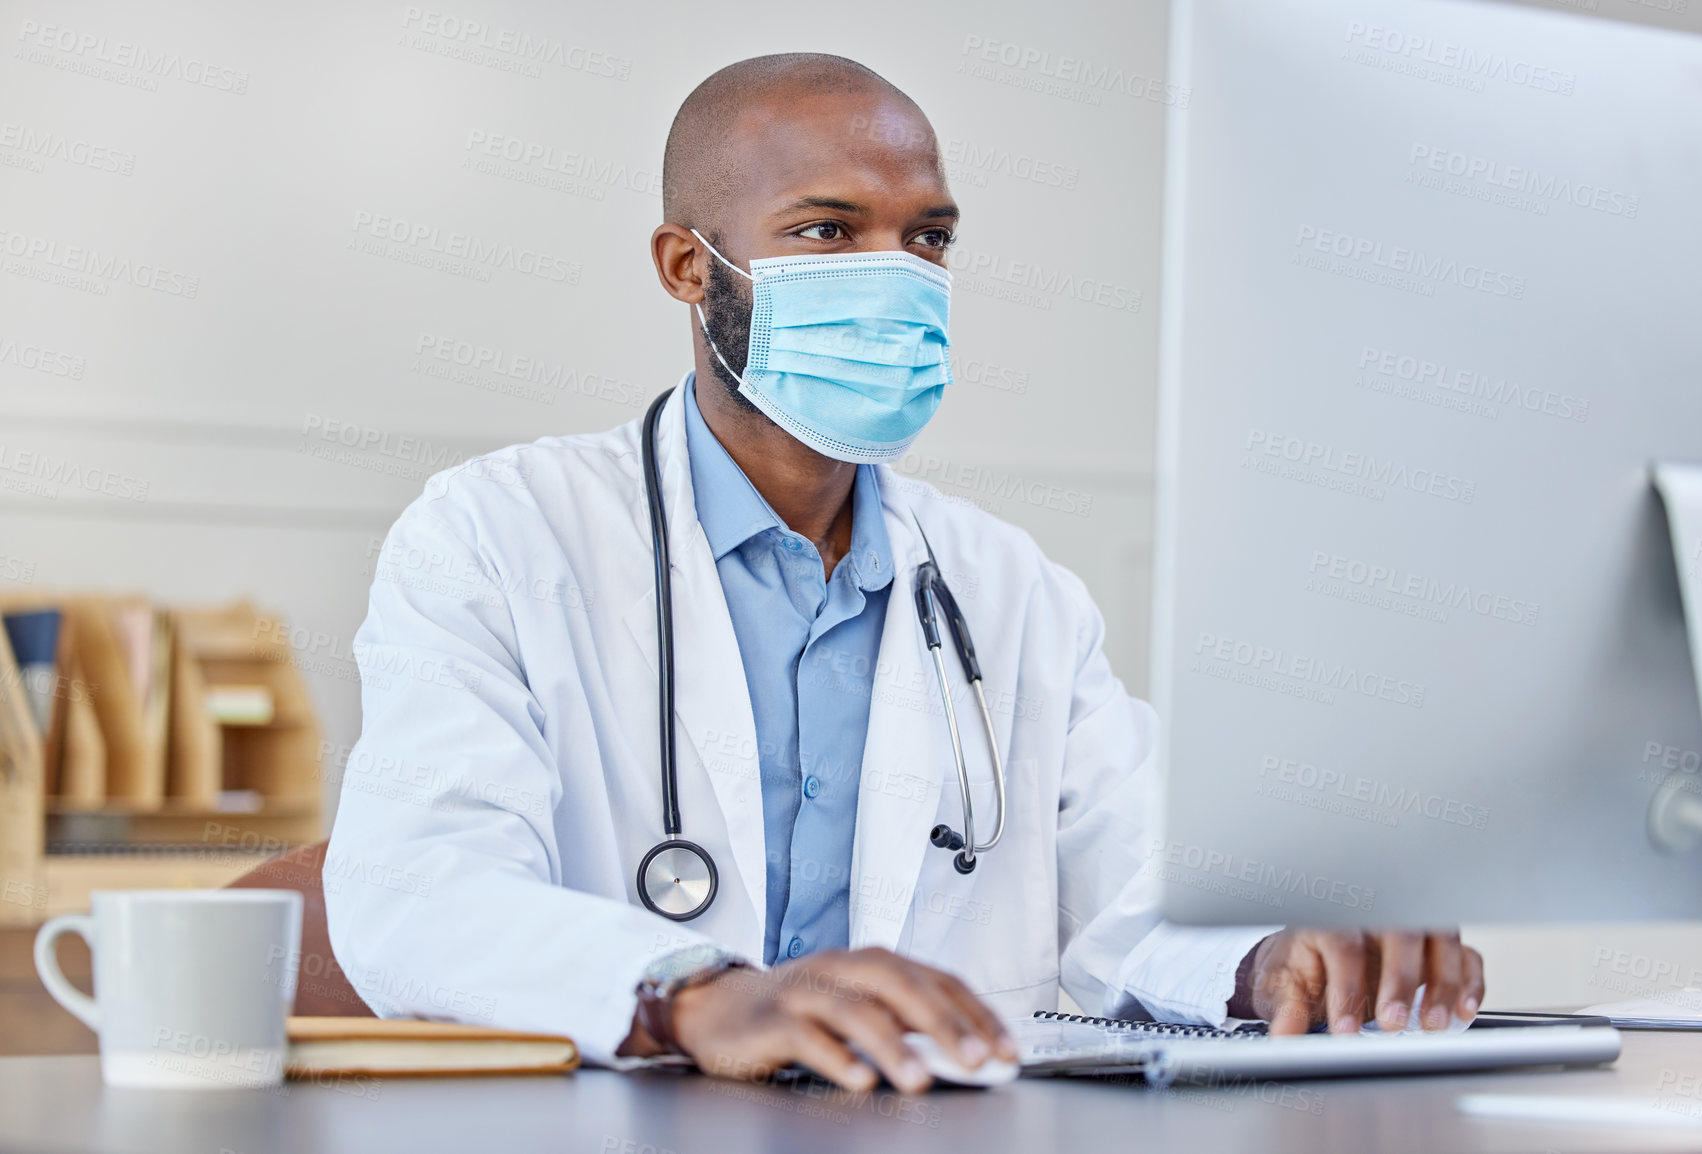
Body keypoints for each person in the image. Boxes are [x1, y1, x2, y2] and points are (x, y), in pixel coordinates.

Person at [324, 52, 1484, 1095]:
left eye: (926, 238)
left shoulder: (1009, 585)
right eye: (829, 233)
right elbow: (418, 889)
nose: (898, 277)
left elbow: (1138, 887)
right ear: (689, 265)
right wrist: (698, 990)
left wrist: (1270, 952)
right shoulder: (499, 533)